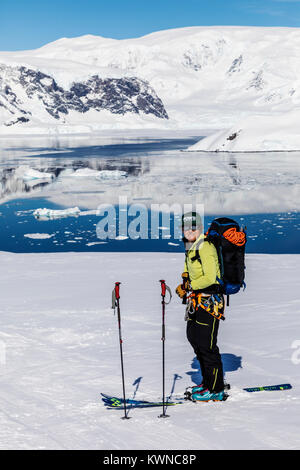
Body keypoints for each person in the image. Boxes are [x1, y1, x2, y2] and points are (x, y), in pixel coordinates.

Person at [176, 211, 225, 401]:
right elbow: (188, 266)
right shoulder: (191, 245)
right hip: (196, 301)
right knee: (195, 340)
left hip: (209, 303)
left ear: (199, 228)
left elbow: (210, 277)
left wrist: (189, 286)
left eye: (192, 228)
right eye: (185, 228)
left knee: (207, 345)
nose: (188, 231)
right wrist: (185, 279)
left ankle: (216, 389)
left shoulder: (205, 247)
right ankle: (207, 383)